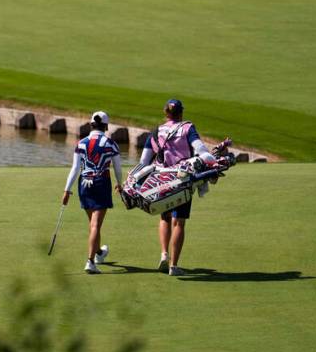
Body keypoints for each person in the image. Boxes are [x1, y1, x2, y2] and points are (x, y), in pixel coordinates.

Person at [129, 98, 217, 277]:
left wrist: (131, 182)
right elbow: (200, 149)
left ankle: (164, 253)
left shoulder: (156, 132)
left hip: (161, 181)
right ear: (181, 113)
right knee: (179, 222)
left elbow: (143, 162)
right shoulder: (187, 128)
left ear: (165, 113)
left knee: (165, 217)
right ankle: (174, 265)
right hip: (182, 179)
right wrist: (212, 162)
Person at [62, 110, 124, 274]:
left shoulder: (81, 143)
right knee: (96, 224)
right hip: (101, 183)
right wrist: (119, 183)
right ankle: (90, 261)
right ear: (106, 127)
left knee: (93, 224)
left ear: (91, 125)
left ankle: (99, 253)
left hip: (84, 185)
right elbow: (118, 167)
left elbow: (75, 168)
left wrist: (67, 190)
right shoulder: (111, 144)